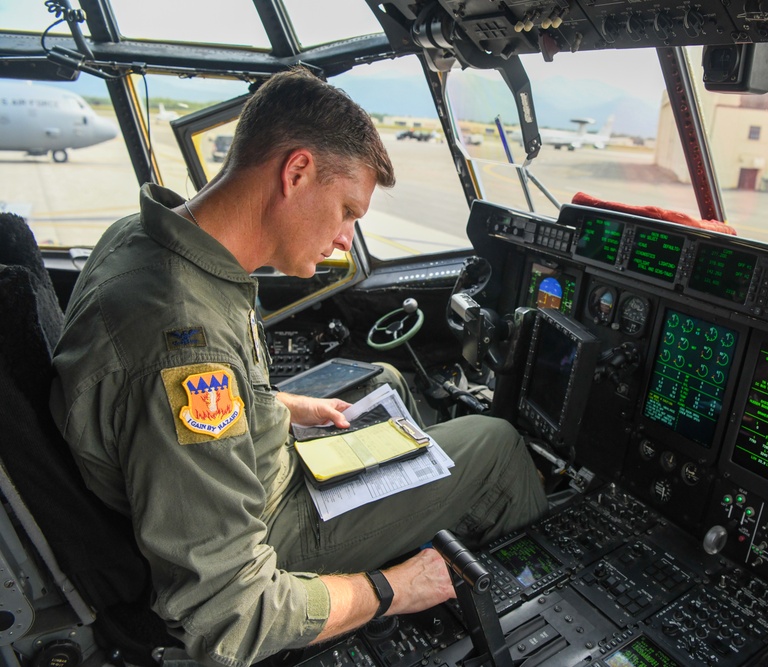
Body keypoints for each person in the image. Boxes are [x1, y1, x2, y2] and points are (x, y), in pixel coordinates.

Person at [50, 66, 547, 667]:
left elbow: (143, 399)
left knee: (383, 381)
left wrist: (277, 405)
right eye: (346, 211)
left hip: (234, 472)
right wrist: (392, 589)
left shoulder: (142, 237)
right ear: (297, 171)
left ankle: (420, 514)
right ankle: (534, 596)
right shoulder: (184, 348)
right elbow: (230, 608)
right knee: (494, 441)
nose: (345, 238)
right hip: (265, 528)